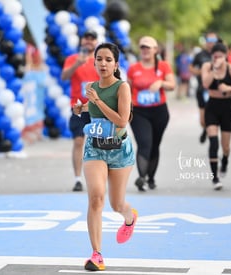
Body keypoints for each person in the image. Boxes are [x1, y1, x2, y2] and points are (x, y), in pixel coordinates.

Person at [73, 42, 138, 271]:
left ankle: (130, 218)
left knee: (116, 203)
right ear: (94, 62)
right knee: (96, 198)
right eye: (99, 59)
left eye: (108, 59)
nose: (103, 63)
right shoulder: (91, 86)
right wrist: (80, 108)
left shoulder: (122, 87)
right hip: (95, 148)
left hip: (119, 150)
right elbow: (93, 112)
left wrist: (97, 100)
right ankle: (97, 255)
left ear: (116, 64)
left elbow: (121, 120)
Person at [127, 36, 176, 191]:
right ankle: (142, 178)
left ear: (155, 50)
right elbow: (127, 89)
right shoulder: (133, 68)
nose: (145, 50)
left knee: (155, 145)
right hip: (139, 111)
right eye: (142, 47)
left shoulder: (163, 66)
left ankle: (151, 177)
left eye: (148, 47)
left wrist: (161, 83)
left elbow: (172, 85)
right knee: (144, 143)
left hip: (159, 111)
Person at [201, 42, 231, 190]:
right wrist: (214, 70)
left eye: (220, 56)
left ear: (225, 56)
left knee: (225, 146)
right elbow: (206, 84)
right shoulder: (207, 67)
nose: (217, 59)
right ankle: (215, 177)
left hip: (227, 108)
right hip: (212, 107)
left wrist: (229, 88)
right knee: (214, 142)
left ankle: (225, 159)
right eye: (215, 56)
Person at [61, 30, 100, 192]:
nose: (89, 41)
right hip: (78, 106)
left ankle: (98, 177)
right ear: (81, 40)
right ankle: (78, 179)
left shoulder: (101, 60)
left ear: (96, 42)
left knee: (99, 143)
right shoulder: (72, 59)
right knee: (78, 141)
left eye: (92, 38)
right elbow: (64, 77)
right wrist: (77, 63)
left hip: (97, 107)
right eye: (86, 38)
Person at [189, 32, 219, 144]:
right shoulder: (200, 55)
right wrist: (200, 72)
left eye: (213, 42)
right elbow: (191, 67)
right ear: (206, 42)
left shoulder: (220, 54)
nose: (211, 44)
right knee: (203, 120)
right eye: (209, 41)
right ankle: (206, 129)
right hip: (202, 89)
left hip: (216, 90)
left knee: (214, 116)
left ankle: (213, 137)